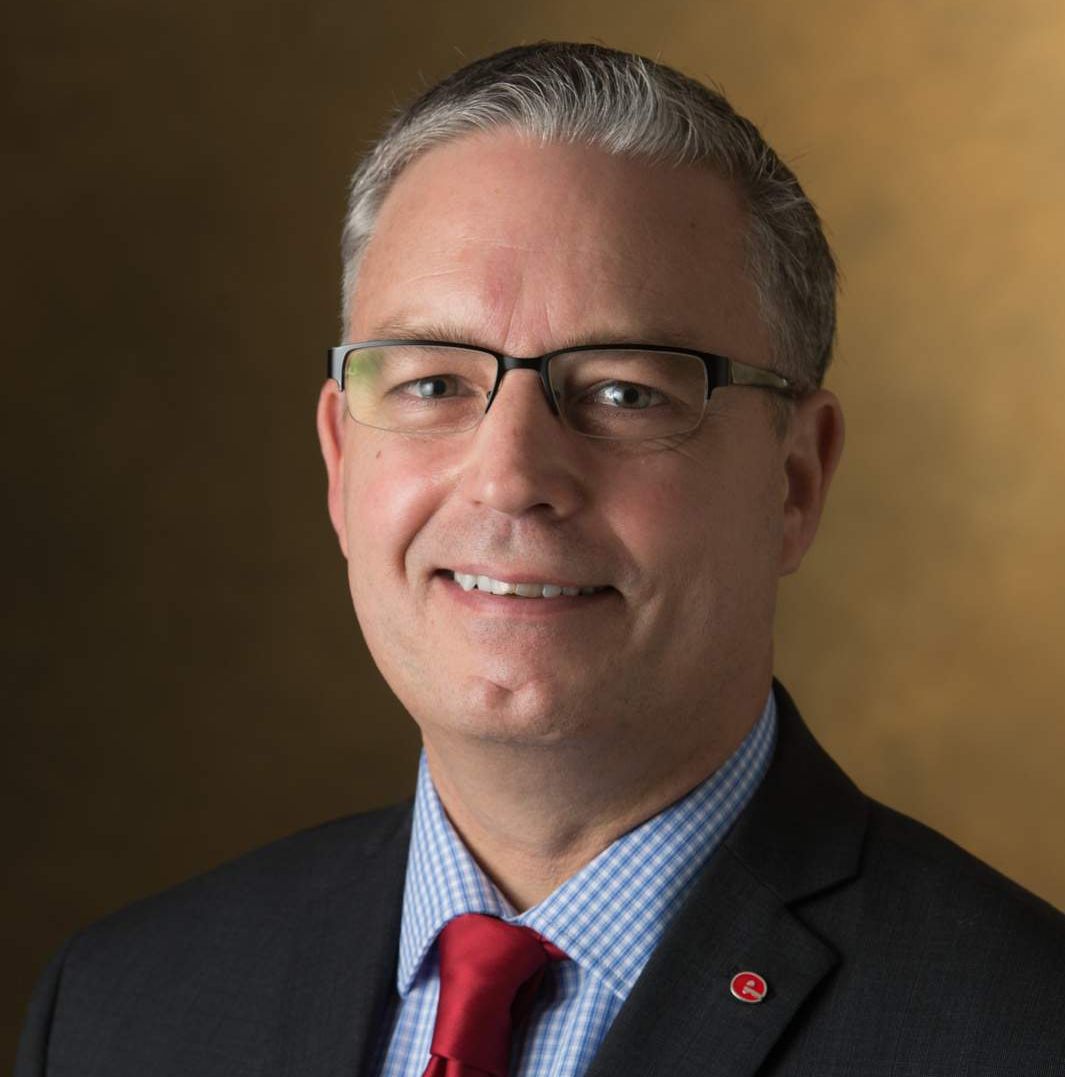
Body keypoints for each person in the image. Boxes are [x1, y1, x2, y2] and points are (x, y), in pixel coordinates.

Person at [17, 41, 1065, 1077]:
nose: (510, 476)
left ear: (793, 480)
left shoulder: (1024, 1031)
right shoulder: (118, 1011)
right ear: (340, 460)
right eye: (433, 383)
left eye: (624, 392)